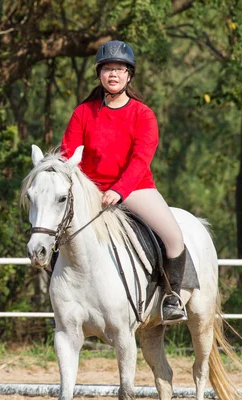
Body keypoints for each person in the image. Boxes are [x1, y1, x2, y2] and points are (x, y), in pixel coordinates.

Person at [60, 40, 186, 322]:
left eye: (119, 69)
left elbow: (141, 159)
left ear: (129, 75)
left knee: (174, 237)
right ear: (100, 74)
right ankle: (61, 300)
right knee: (58, 232)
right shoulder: (83, 113)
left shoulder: (143, 114)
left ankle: (172, 296)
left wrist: (119, 189)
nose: (113, 74)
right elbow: (69, 155)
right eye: (107, 69)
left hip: (136, 187)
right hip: (91, 191)